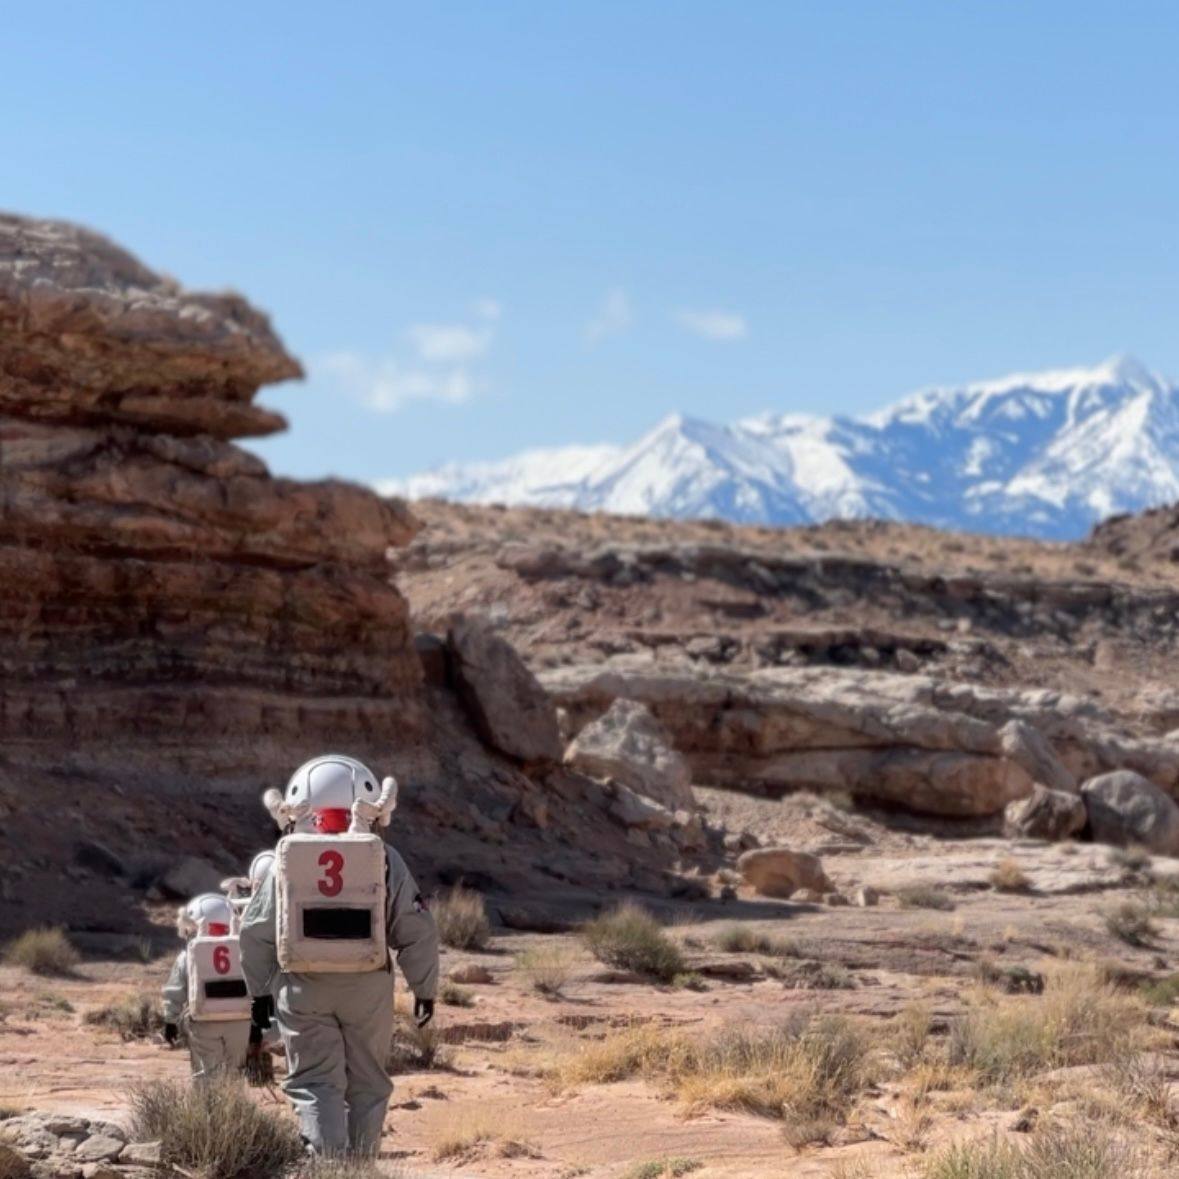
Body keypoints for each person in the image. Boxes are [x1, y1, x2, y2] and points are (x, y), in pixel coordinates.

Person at [240, 754, 438, 1157]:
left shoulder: (285, 860)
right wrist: (425, 988)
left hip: (302, 987)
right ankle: (361, 1167)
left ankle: (327, 1166)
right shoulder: (384, 858)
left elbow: (256, 930)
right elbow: (416, 929)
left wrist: (258, 994)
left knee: (315, 1082)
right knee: (368, 1082)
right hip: (368, 988)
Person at [161, 892, 252, 1080]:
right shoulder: (245, 950)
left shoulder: (189, 954)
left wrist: (170, 1020)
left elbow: (176, 990)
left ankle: (208, 1107)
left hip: (204, 1021)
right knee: (234, 1071)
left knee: (207, 1073)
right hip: (241, 1022)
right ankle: (233, 1107)